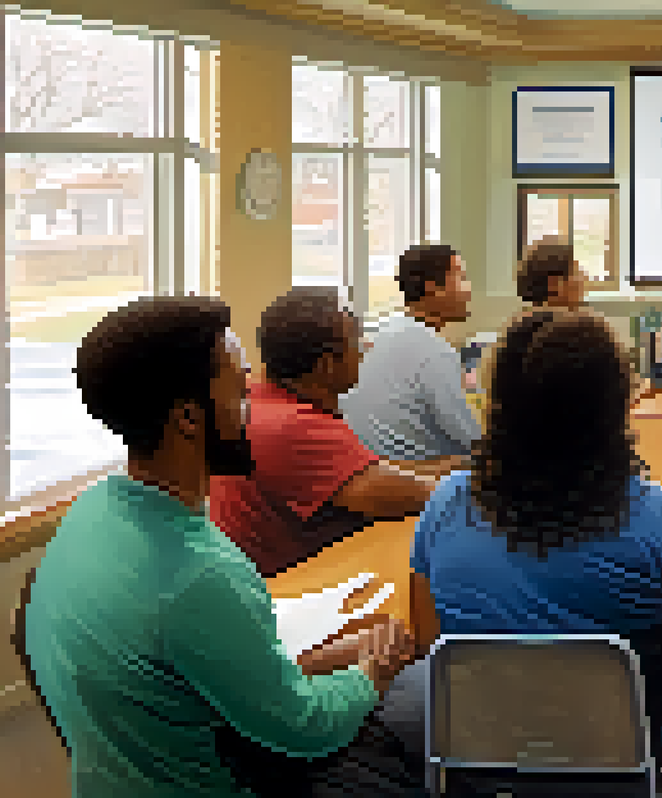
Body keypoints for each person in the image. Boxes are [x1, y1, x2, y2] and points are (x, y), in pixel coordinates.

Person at [25, 296, 418, 797]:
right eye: (239, 393)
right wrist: (371, 673)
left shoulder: (94, 511)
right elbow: (305, 729)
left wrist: (327, 660)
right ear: (189, 418)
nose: (250, 411)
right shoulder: (198, 574)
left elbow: (182, 674)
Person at [410, 308, 662, 797]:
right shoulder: (657, 517)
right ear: (615, 406)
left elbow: (428, 644)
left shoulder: (445, 505)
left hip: (482, 764)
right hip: (630, 768)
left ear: (498, 403)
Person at [209, 286, 442, 577]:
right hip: (293, 594)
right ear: (327, 365)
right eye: (356, 340)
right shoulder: (295, 427)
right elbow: (414, 495)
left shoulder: (259, 400)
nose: (366, 347)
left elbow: (372, 473)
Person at [342, 243, 480, 469]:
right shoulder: (434, 351)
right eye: (462, 278)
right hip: (419, 478)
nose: (469, 290)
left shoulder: (383, 332)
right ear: (432, 287)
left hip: (374, 467)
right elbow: (470, 438)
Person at [517, 237, 586, 310]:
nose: (583, 277)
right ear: (554, 284)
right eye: (576, 272)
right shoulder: (583, 320)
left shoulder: (522, 319)